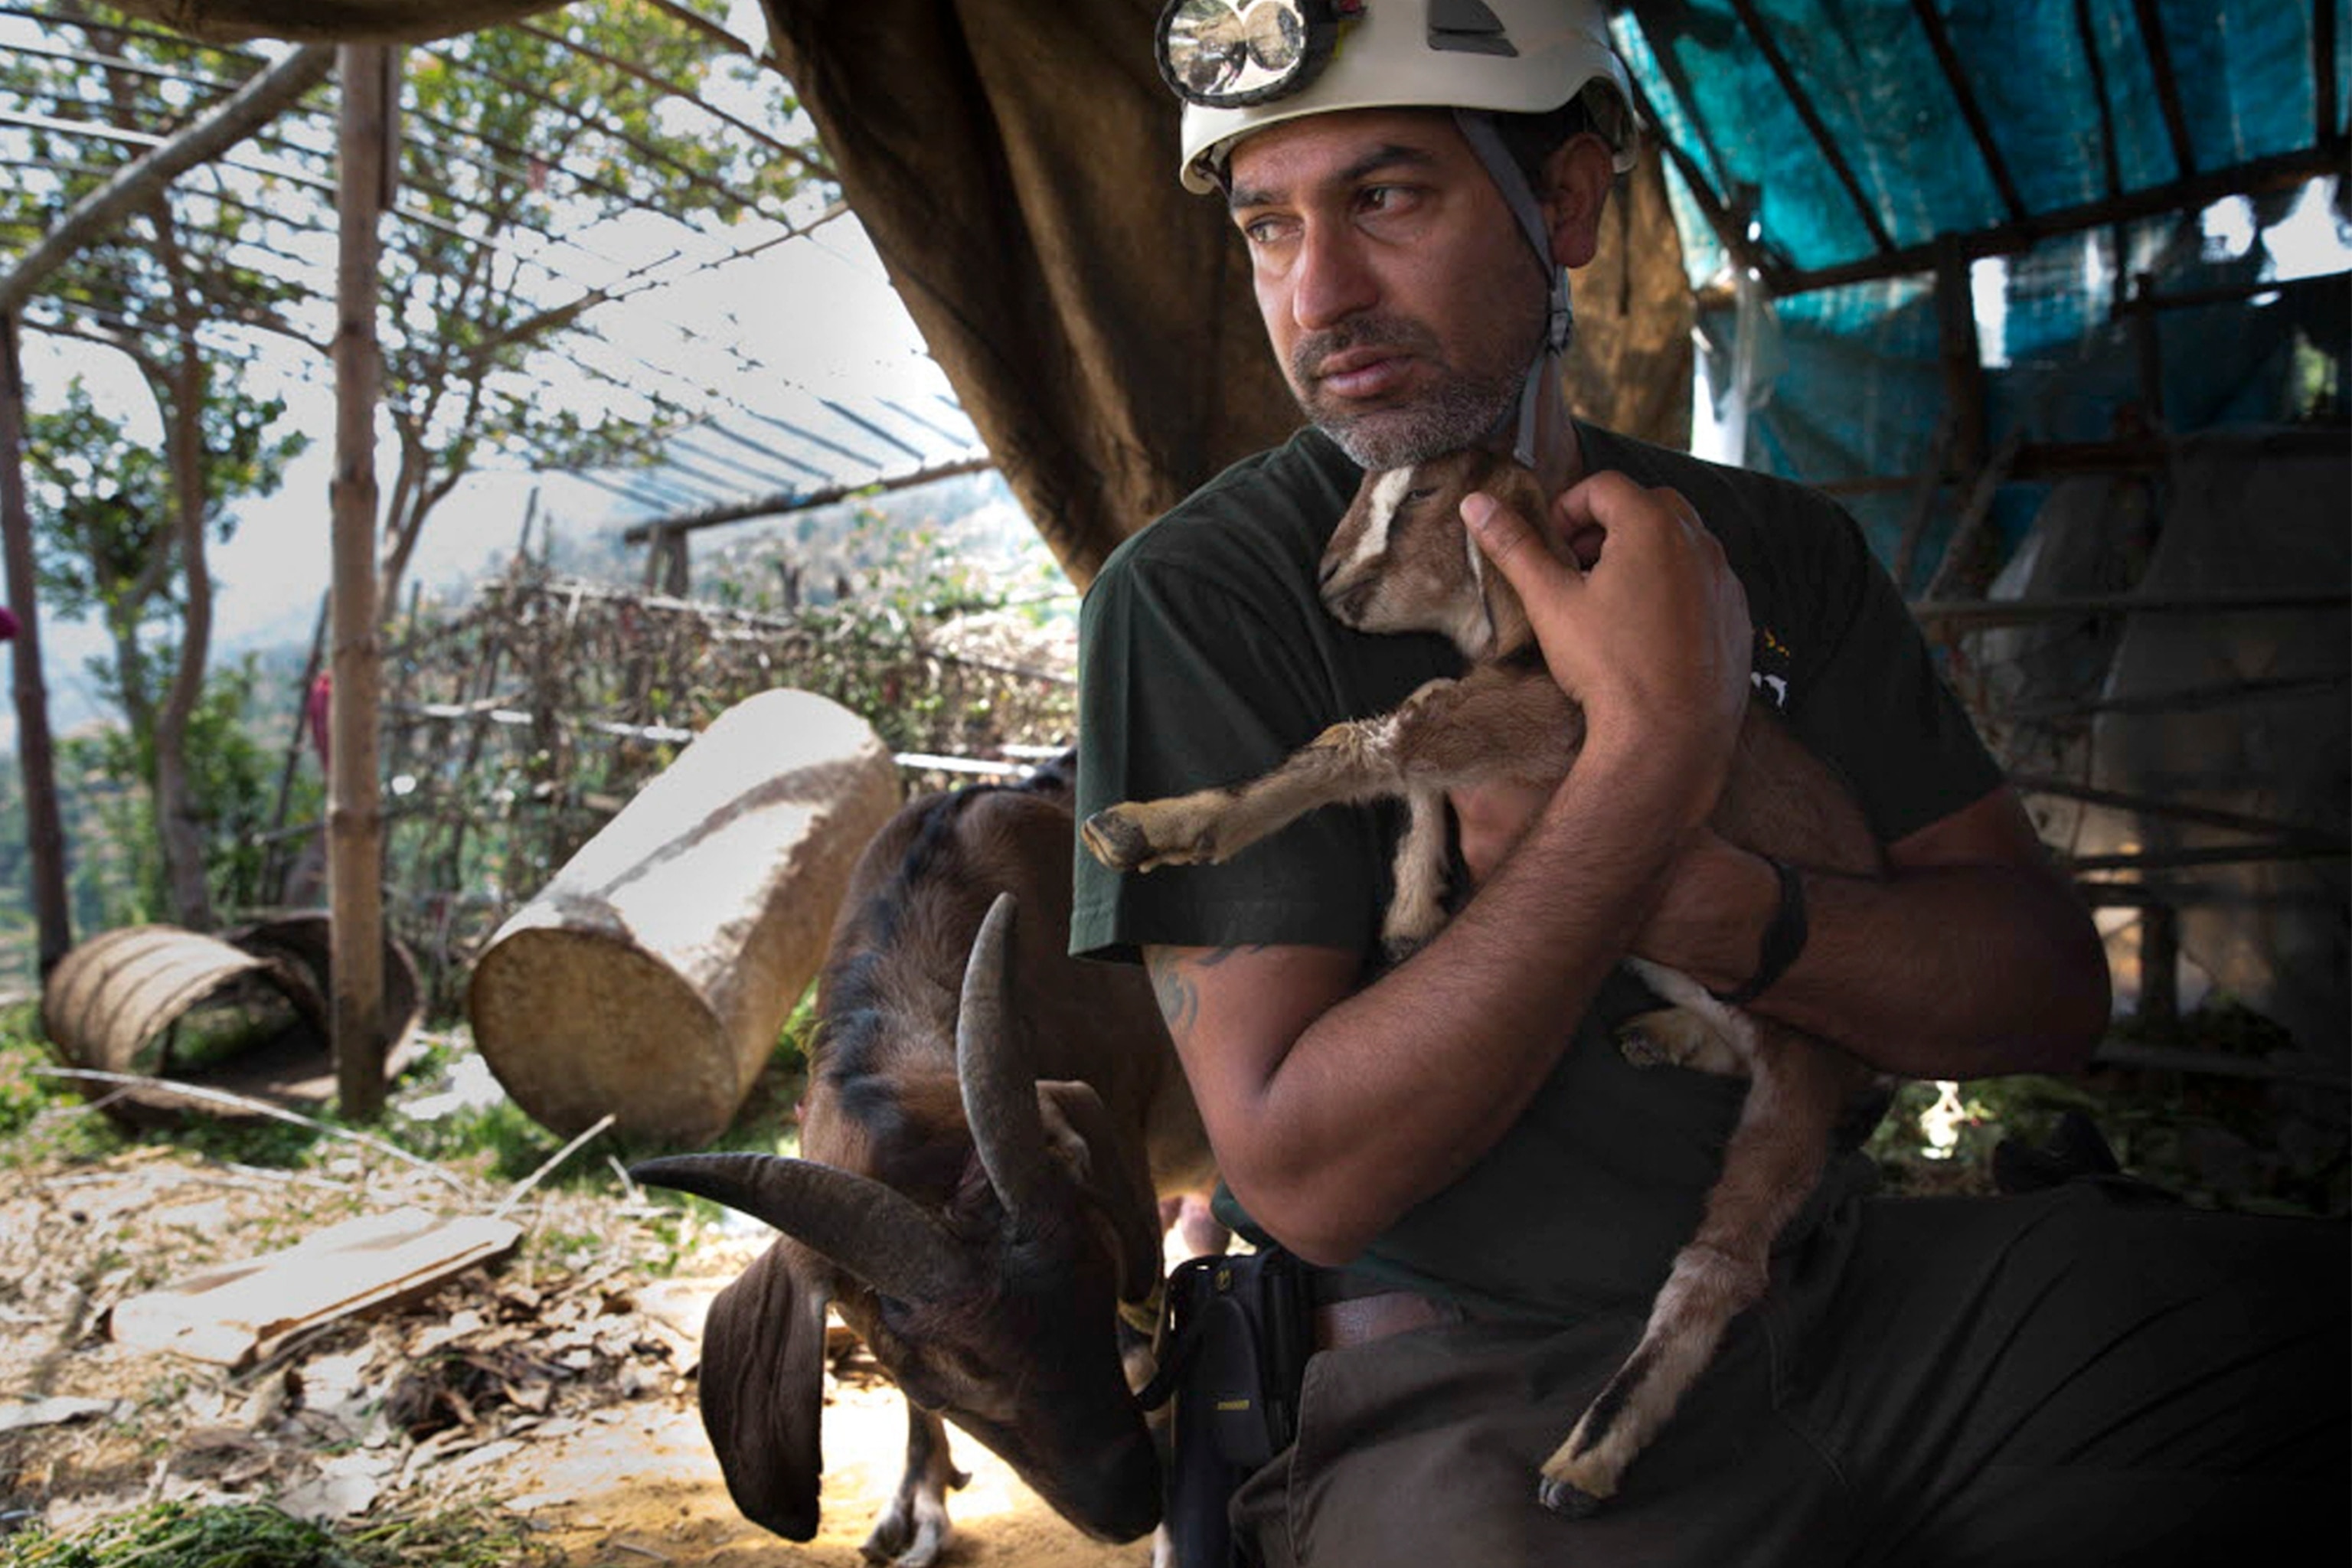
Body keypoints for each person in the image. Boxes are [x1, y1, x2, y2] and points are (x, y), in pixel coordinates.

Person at [1070, 3, 2348, 1564]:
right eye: (1268, 226)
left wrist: (1735, 910)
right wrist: (1658, 751)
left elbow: (2044, 996)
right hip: (1469, 1382)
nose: (1317, 293)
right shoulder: (1201, 597)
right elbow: (1305, 1173)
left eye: (1386, 198)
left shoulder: (1782, 542)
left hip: (1857, 1292)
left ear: (1568, 206)